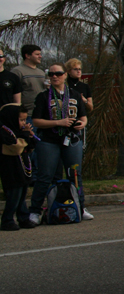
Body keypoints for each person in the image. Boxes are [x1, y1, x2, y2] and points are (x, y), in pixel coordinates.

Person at [27, 63, 89, 225]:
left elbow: (83, 116)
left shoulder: (74, 94)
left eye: (58, 73)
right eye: (51, 74)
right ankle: (35, 210)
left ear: (65, 75)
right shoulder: (43, 96)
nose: (54, 76)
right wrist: (59, 123)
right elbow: (36, 121)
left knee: (75, 174)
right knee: (45, 176)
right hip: (49, 140)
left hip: (71, 139)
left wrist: (82, 124)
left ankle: (79, 206)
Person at [0, 104, 37, 230]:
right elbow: (14, 147)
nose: (24, 123)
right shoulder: (4, 131)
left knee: (22, 195)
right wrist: (25, 136)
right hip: (11, 168)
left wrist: (30, 137)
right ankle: (7, 219)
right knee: (14, 195)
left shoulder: (20, 131)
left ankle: (23, 218)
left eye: (25, 120)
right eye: (21, 120)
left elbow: (28, 147)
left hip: (23, 167)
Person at [11, 44, 45, 117]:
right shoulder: (17, 71)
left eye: (40, 54)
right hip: (27, 114)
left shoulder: (41, 72)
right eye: (37, 54)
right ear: (27, 56)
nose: (40, 56)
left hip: (41, 113)